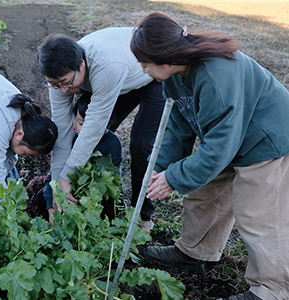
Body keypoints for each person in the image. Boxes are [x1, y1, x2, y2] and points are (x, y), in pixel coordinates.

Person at [130, 12, 289, 300]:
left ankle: (272, 289)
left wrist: (174, 178)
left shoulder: (217, 74)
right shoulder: (175, 76)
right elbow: (179, 127)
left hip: (266, 138)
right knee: (204, 191)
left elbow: (219, 148)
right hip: (228, 138)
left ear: (164, 58)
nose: (143, 71)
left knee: (258, 213)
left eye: (145, 64)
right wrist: (161, 169)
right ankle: (194, 251)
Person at [38, 28, 165, 232]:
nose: (62, 90)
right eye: (54, 84)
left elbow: (94, 127)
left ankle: (142, 215)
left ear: (81, 64)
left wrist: (66, 176)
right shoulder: (58, 79)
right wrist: (56, 187)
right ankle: (88, 203)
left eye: (66, 83)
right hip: (119, 80)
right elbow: (61, 132)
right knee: (90, 143)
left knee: (141, 145)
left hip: (149, 78)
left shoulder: (106, 66)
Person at [36, 92, 124, 224]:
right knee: (41, 197)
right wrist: (51, 208)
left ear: (107, 125)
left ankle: (103, 227)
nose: (85, 133)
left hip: (97, 195)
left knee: (114, 205)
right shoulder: (69, 140)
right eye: (81, 123)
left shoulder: (113, 144)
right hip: (71, 190)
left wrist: (84, 202)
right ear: (73, 122)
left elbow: (111, 182)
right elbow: (52, 177)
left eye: (92, 127)